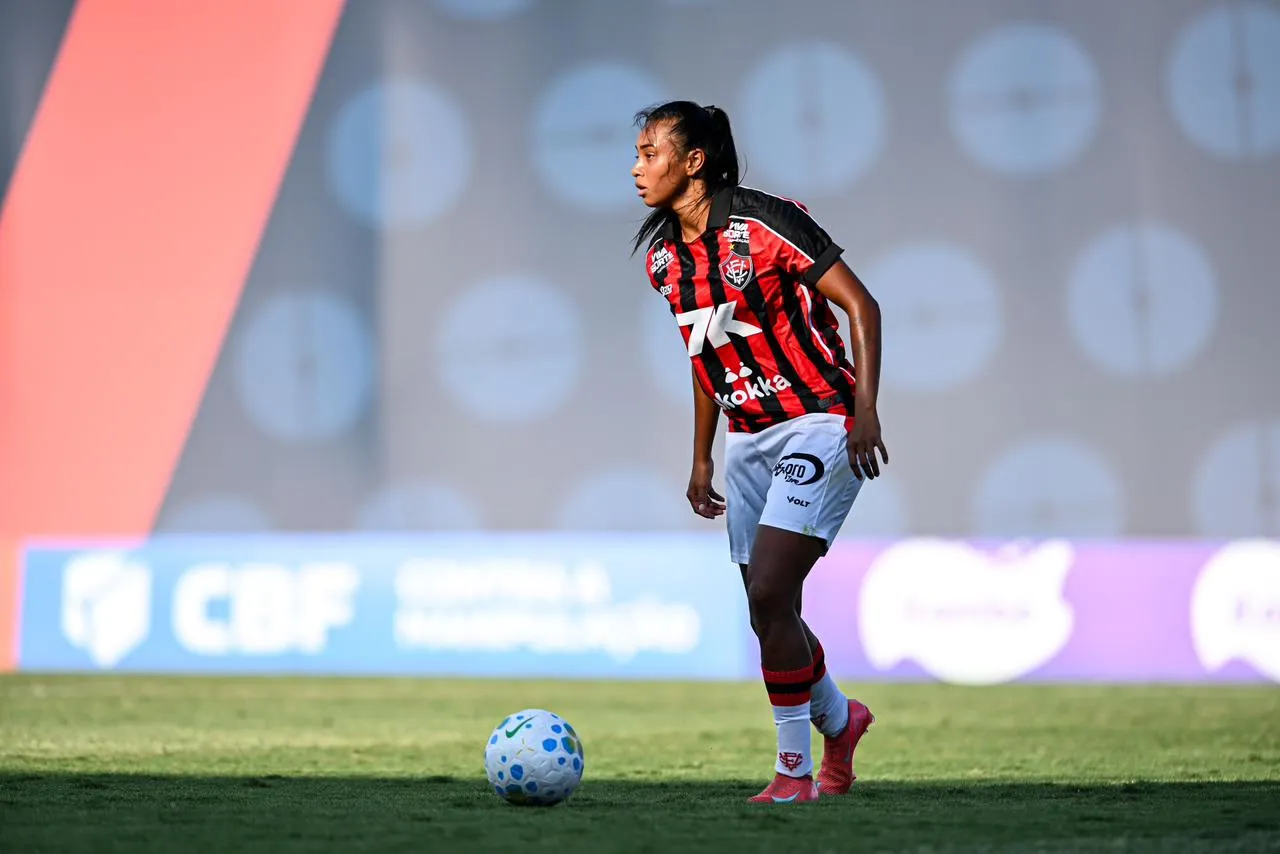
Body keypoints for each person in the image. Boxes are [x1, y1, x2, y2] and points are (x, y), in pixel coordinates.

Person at [631, 101, 887, 804]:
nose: (636, 167)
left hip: (819, 419)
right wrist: (702, 457)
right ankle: (841, 720)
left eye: (651, 152)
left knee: (774, 592)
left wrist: (863, 410)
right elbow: (704, 349)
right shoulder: (664, 259)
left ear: (695, 162)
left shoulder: (764, 224)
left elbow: (861, 306)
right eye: (637, 153)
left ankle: (793, 774)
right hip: (745, 437)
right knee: (765, 609)